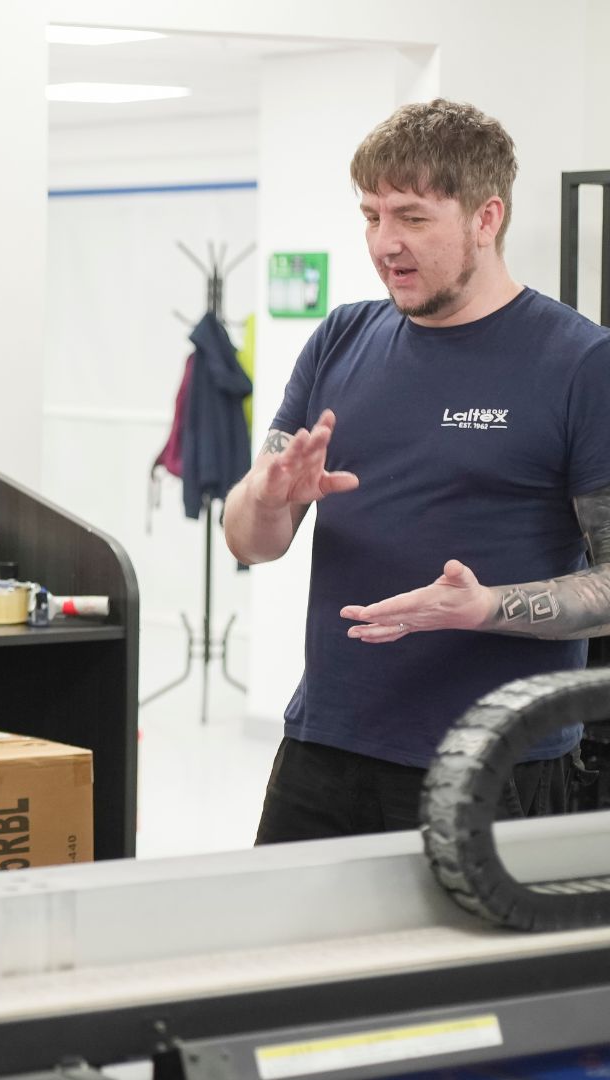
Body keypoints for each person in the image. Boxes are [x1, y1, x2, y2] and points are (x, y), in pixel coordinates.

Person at [224, 99, 610, 844]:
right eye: (371, 216)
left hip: (493, 761)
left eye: (412, 218)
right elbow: (250, 543)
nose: (385, 243)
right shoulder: (341, 338)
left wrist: (486, 607)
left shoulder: (581, 363)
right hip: (322, 745)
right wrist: (265, 498)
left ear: (486, 218)